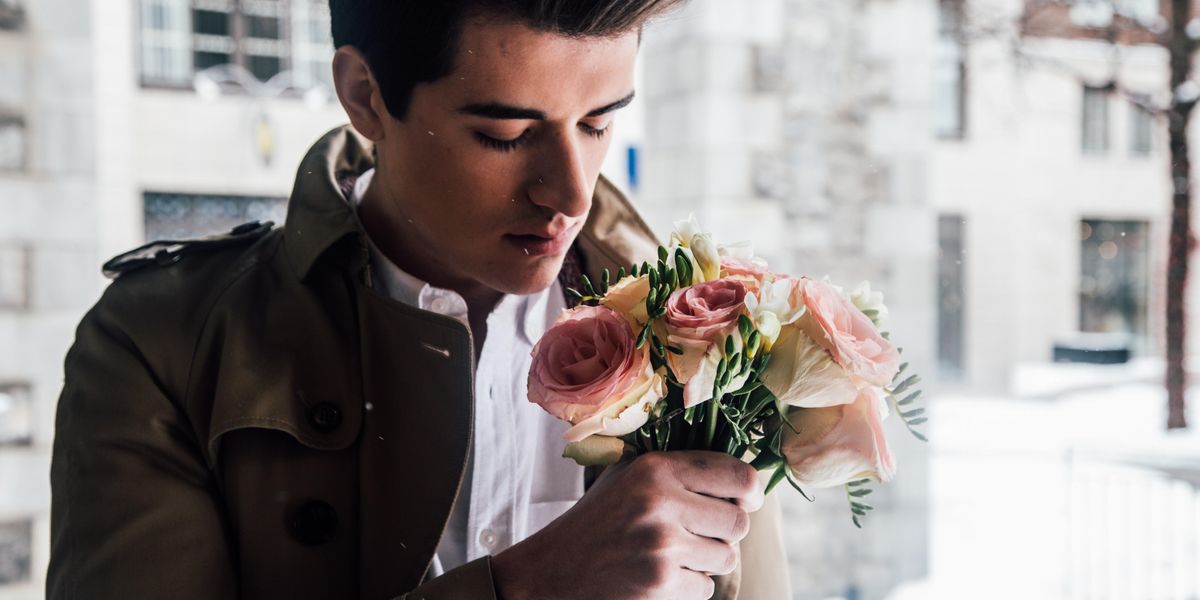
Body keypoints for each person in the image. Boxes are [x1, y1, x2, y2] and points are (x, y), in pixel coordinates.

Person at [47, 1, 791, 598]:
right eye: (505, 133)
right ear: (366, 97)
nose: (570, 191)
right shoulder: (162, 344)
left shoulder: (710, 336)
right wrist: (526, 585)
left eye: (599, 122)